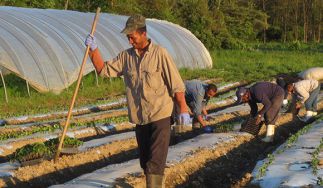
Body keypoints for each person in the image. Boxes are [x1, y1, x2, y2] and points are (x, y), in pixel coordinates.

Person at [85, 14, 190, 187]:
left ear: (143, 33)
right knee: (145, 161)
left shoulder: (160, 53)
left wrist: (183, 108)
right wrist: (93, 50)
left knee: (154, 162)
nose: (130, 41)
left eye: (132, 37)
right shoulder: (126, 57)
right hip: (140, 118)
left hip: (160, 115)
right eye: (128, 37)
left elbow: (176, 84)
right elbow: (103, 70)